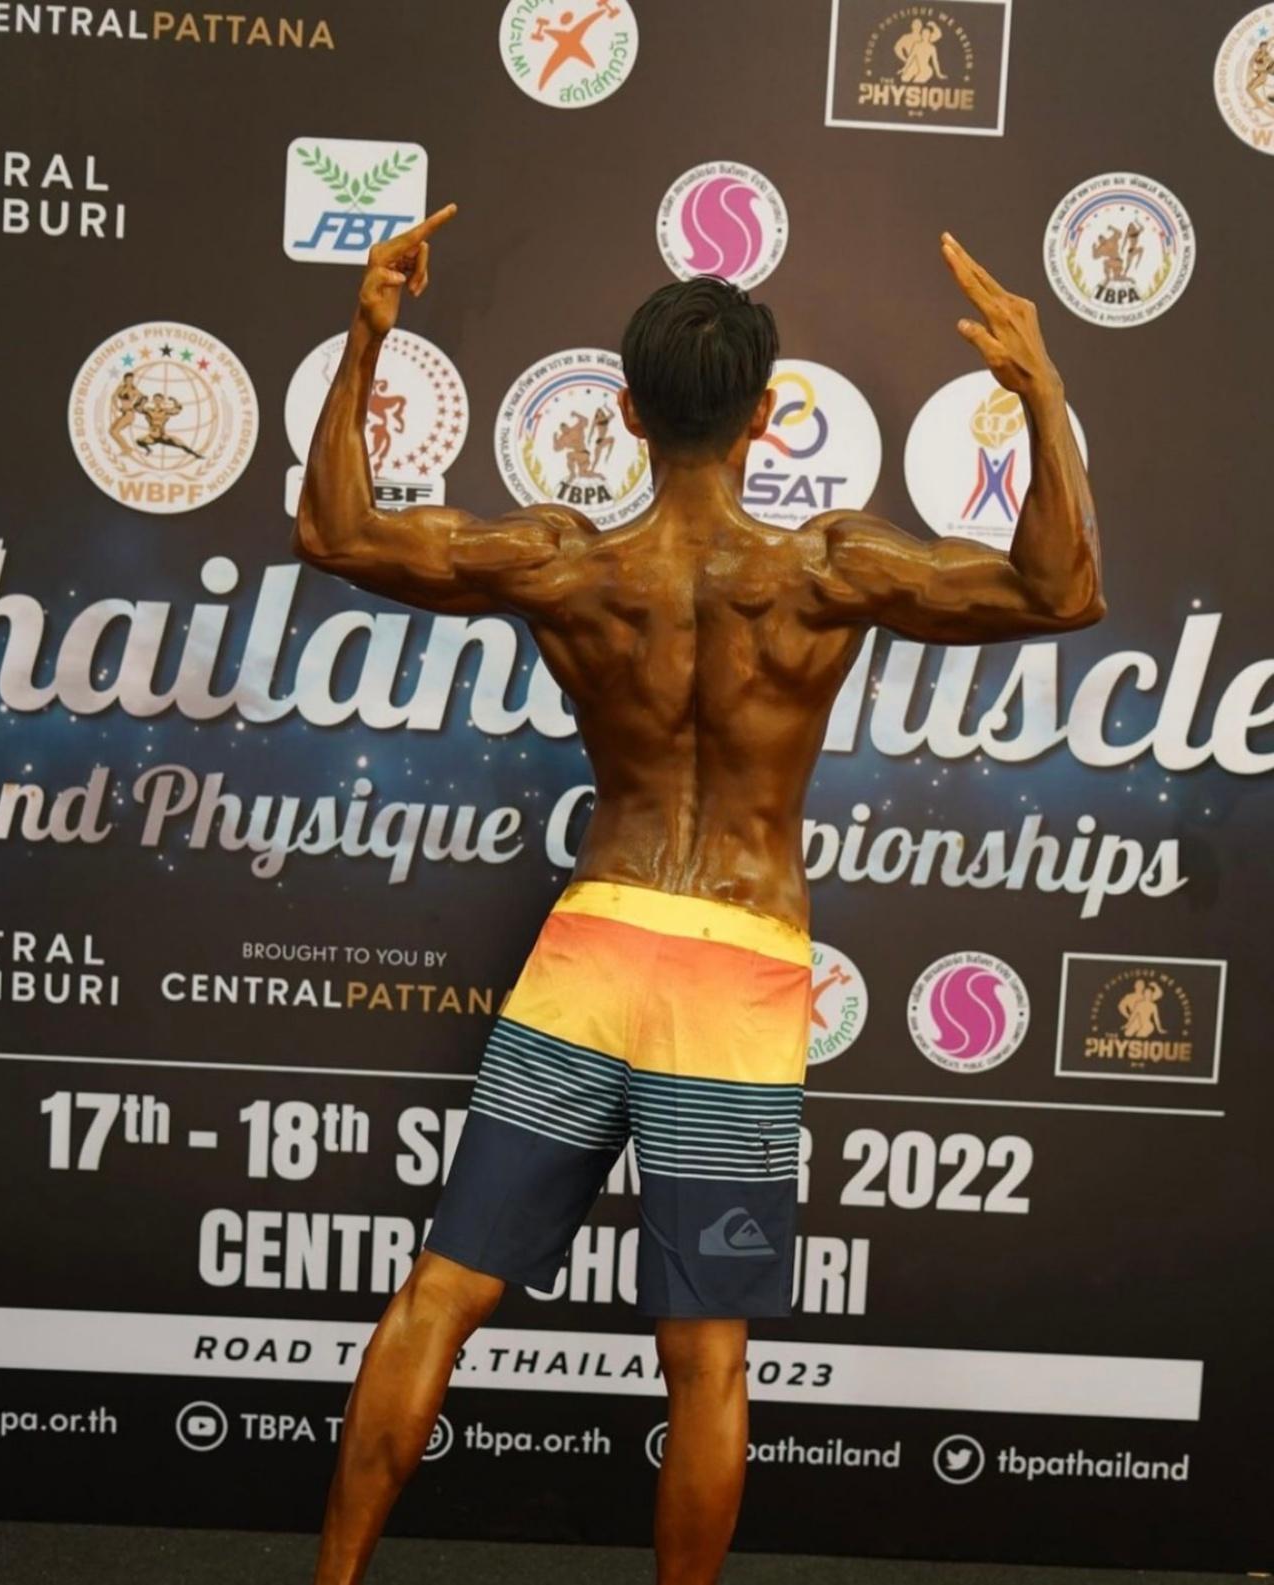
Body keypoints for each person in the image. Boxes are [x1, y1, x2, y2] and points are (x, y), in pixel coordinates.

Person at [294, 203, 1105, 1585]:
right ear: (767, 416)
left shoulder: (569, 563)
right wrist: (1040, 391)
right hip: (735, 972)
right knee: (707, 1356)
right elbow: (1063, 589)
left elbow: (336, 529)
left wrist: (365, 339)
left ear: (624, 411)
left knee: (440, 1293)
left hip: (597, 944)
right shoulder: (823, 571)